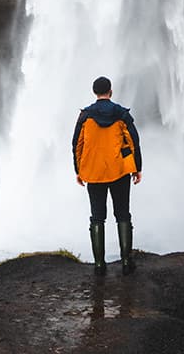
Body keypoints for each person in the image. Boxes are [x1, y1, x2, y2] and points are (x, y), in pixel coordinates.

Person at [72, 76, 142, 276]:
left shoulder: (85, 116)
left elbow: (77, 144)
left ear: (95, 93)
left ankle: (99, 265)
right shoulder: (121, 114)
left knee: (97, 217)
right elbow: (133, 141)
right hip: (119, 171)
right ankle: (127, 262)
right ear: (110, 91)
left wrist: (79, 170)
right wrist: (137, 168)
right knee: (122, 214)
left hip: (93, 172)